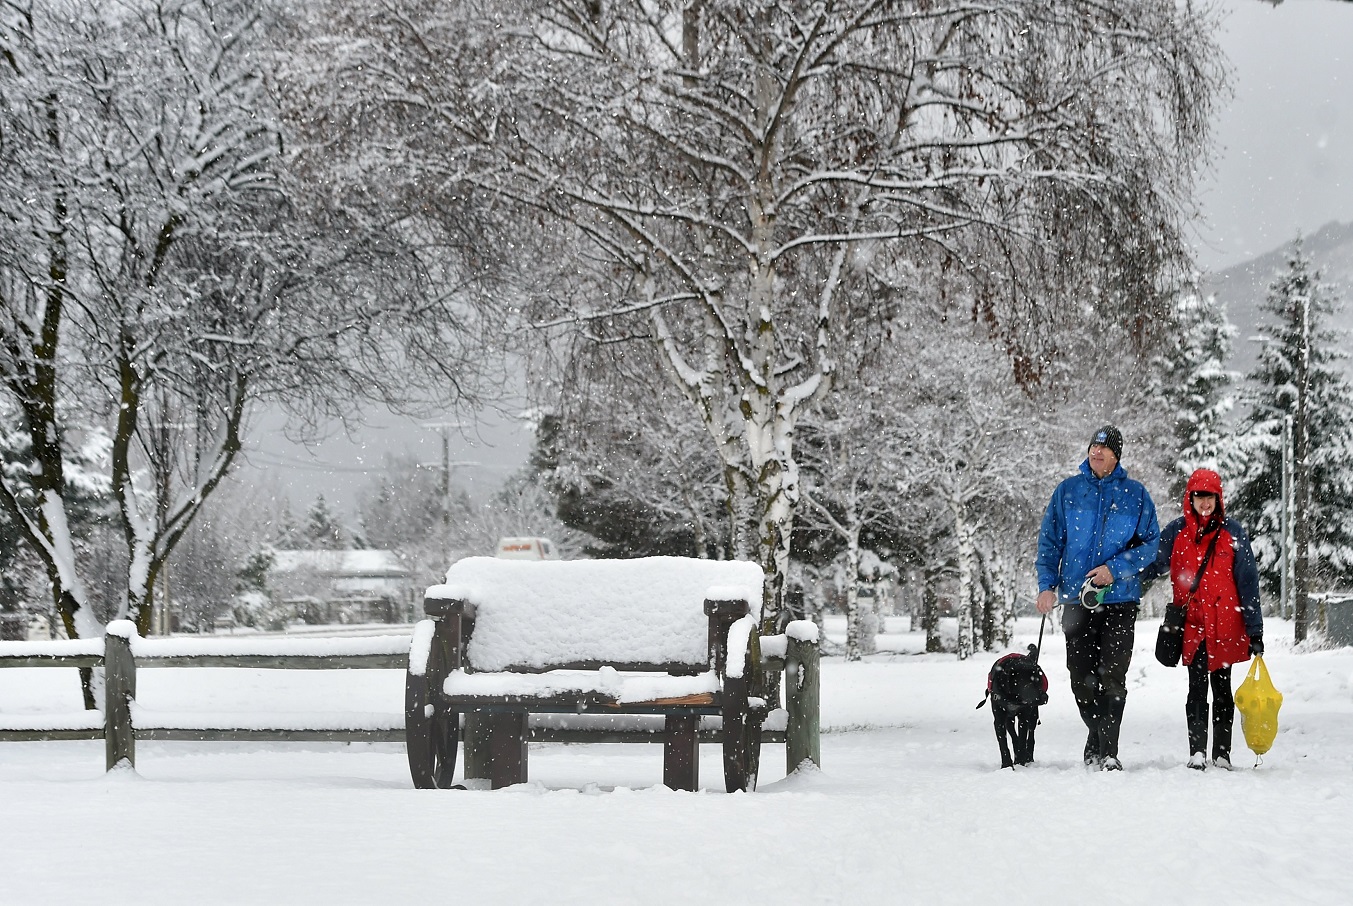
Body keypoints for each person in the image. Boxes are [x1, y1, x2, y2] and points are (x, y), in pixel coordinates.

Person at [1036, 425, 1160, 770]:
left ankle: (1109, 753)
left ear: (1116, 456)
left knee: (1113, 676)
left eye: (1104, 449)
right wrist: (1047, 584)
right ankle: (1099, 734)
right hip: (1077, 600)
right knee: (1081, 679)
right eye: (1093, 446)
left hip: (1119, 600)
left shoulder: (1136, 495)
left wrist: (1115, 569)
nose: (1096, 453)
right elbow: (1049, 543)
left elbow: (1150, 545)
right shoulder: (1068, 492)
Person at [1141, 468, 1263, 770]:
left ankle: (1222, 753)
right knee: (1196, 687)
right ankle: (1197, 751)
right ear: (1190, 499)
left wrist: (1255, 629)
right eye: (1199, 497)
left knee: (1222, 689)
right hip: (1193, 625)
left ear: (1218, 498)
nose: (1204, 503)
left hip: (1225, 625)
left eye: (1210, 497)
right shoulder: (1177, 532)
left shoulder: (1233, 533)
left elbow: (1247, 581)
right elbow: (1153, 563)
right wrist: (1123, 581)